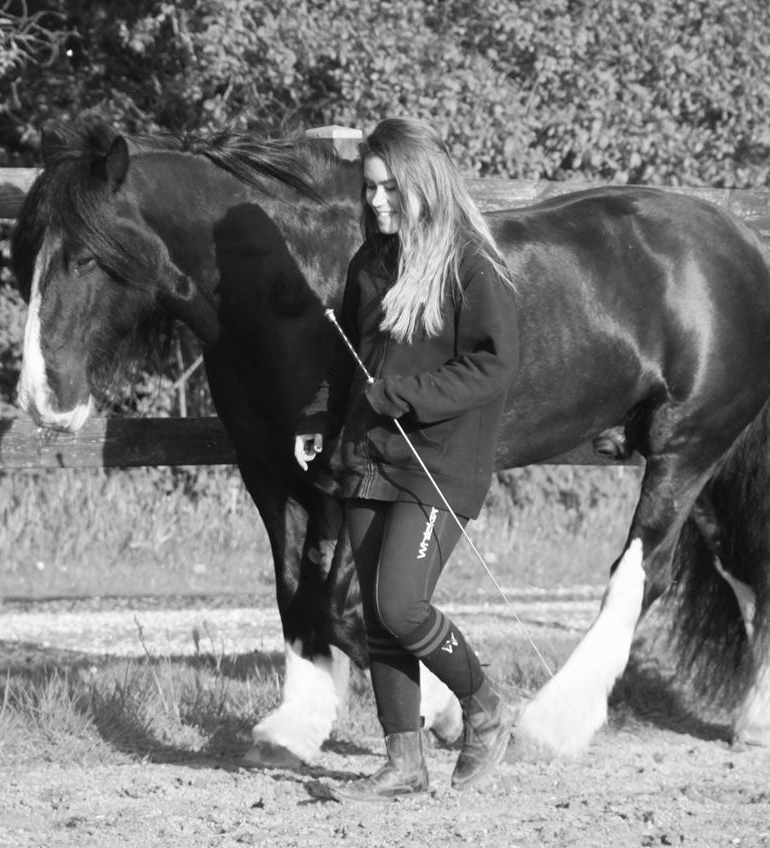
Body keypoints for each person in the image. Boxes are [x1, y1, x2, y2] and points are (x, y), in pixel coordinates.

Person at [294, 117, 521, 800]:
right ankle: (403, 764)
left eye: (390, 188)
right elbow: (351, 360)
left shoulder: (474, 268)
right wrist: (320, 416)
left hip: (439, 465)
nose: (376, 202)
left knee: (401, 604)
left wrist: (406, 395)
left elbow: (494, 368)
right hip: (368, 453)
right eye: (369, 189)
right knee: (372, 612)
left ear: (423, 183)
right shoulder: (371, 263)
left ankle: (484, 706)